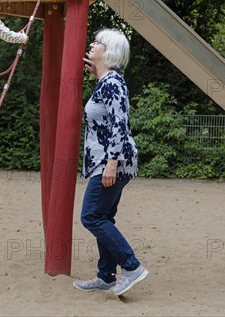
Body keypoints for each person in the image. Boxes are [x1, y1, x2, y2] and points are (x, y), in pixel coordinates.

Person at [73, 29, 147, 296]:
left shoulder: (113, 82)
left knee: (91, 216)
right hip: (107, 159)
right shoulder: (106, 81)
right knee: (103, 216)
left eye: (98, 42)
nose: (92, 44)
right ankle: (106, 276)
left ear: (110, 51)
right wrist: (97, 73)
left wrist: (111, 163)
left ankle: (132, 266)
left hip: (112, 159)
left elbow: (119, 124)